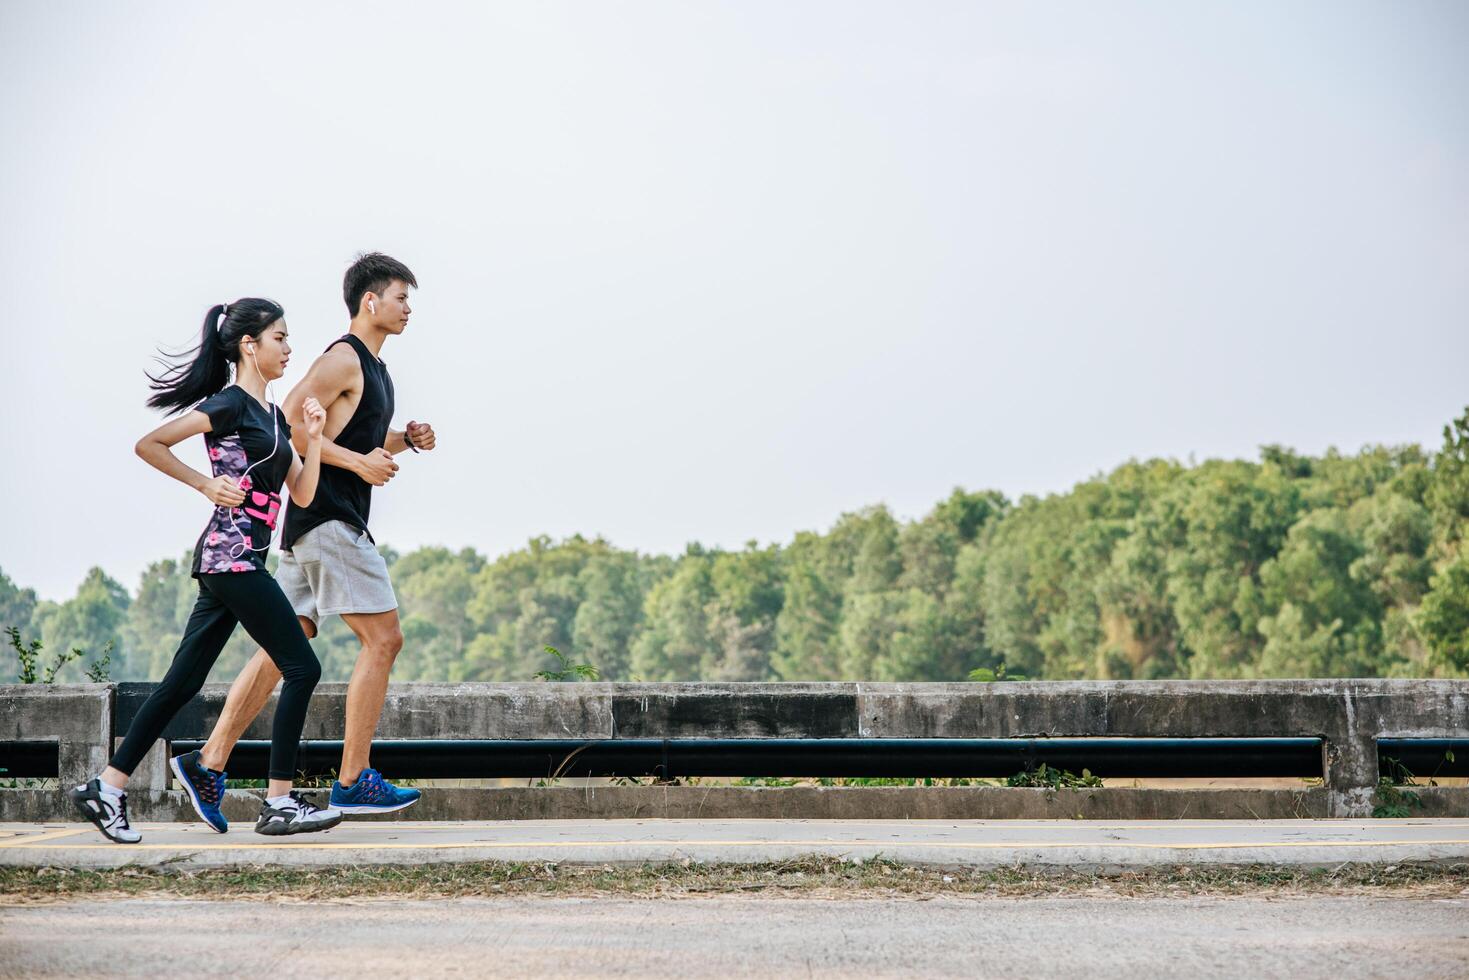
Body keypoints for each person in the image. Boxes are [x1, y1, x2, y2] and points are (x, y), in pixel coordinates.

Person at [68, 299, 341, 843]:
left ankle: (107, 787)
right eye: (280, 339)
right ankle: (281, 802)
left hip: (235, 562)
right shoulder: (230, 404)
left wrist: (310, 437)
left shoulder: (271, 416)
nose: (289, 349)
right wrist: (205, 483)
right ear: (250, 345)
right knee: (302, 669)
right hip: (232, 557)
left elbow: (304, 492)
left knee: (181, 683)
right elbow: (151, 444)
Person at [187, 253, 435, 829]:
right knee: (384, 638)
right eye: (401, 297)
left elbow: (352, 438)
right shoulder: (343, 357)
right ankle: (352, 781)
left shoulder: (375, 369)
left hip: (310, 524)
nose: (408, 308)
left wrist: (403, 440)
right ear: (369, 301)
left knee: (285, 643)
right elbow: (295, 424)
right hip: (327, 517)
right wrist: (359, 462)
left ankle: (209, 762)